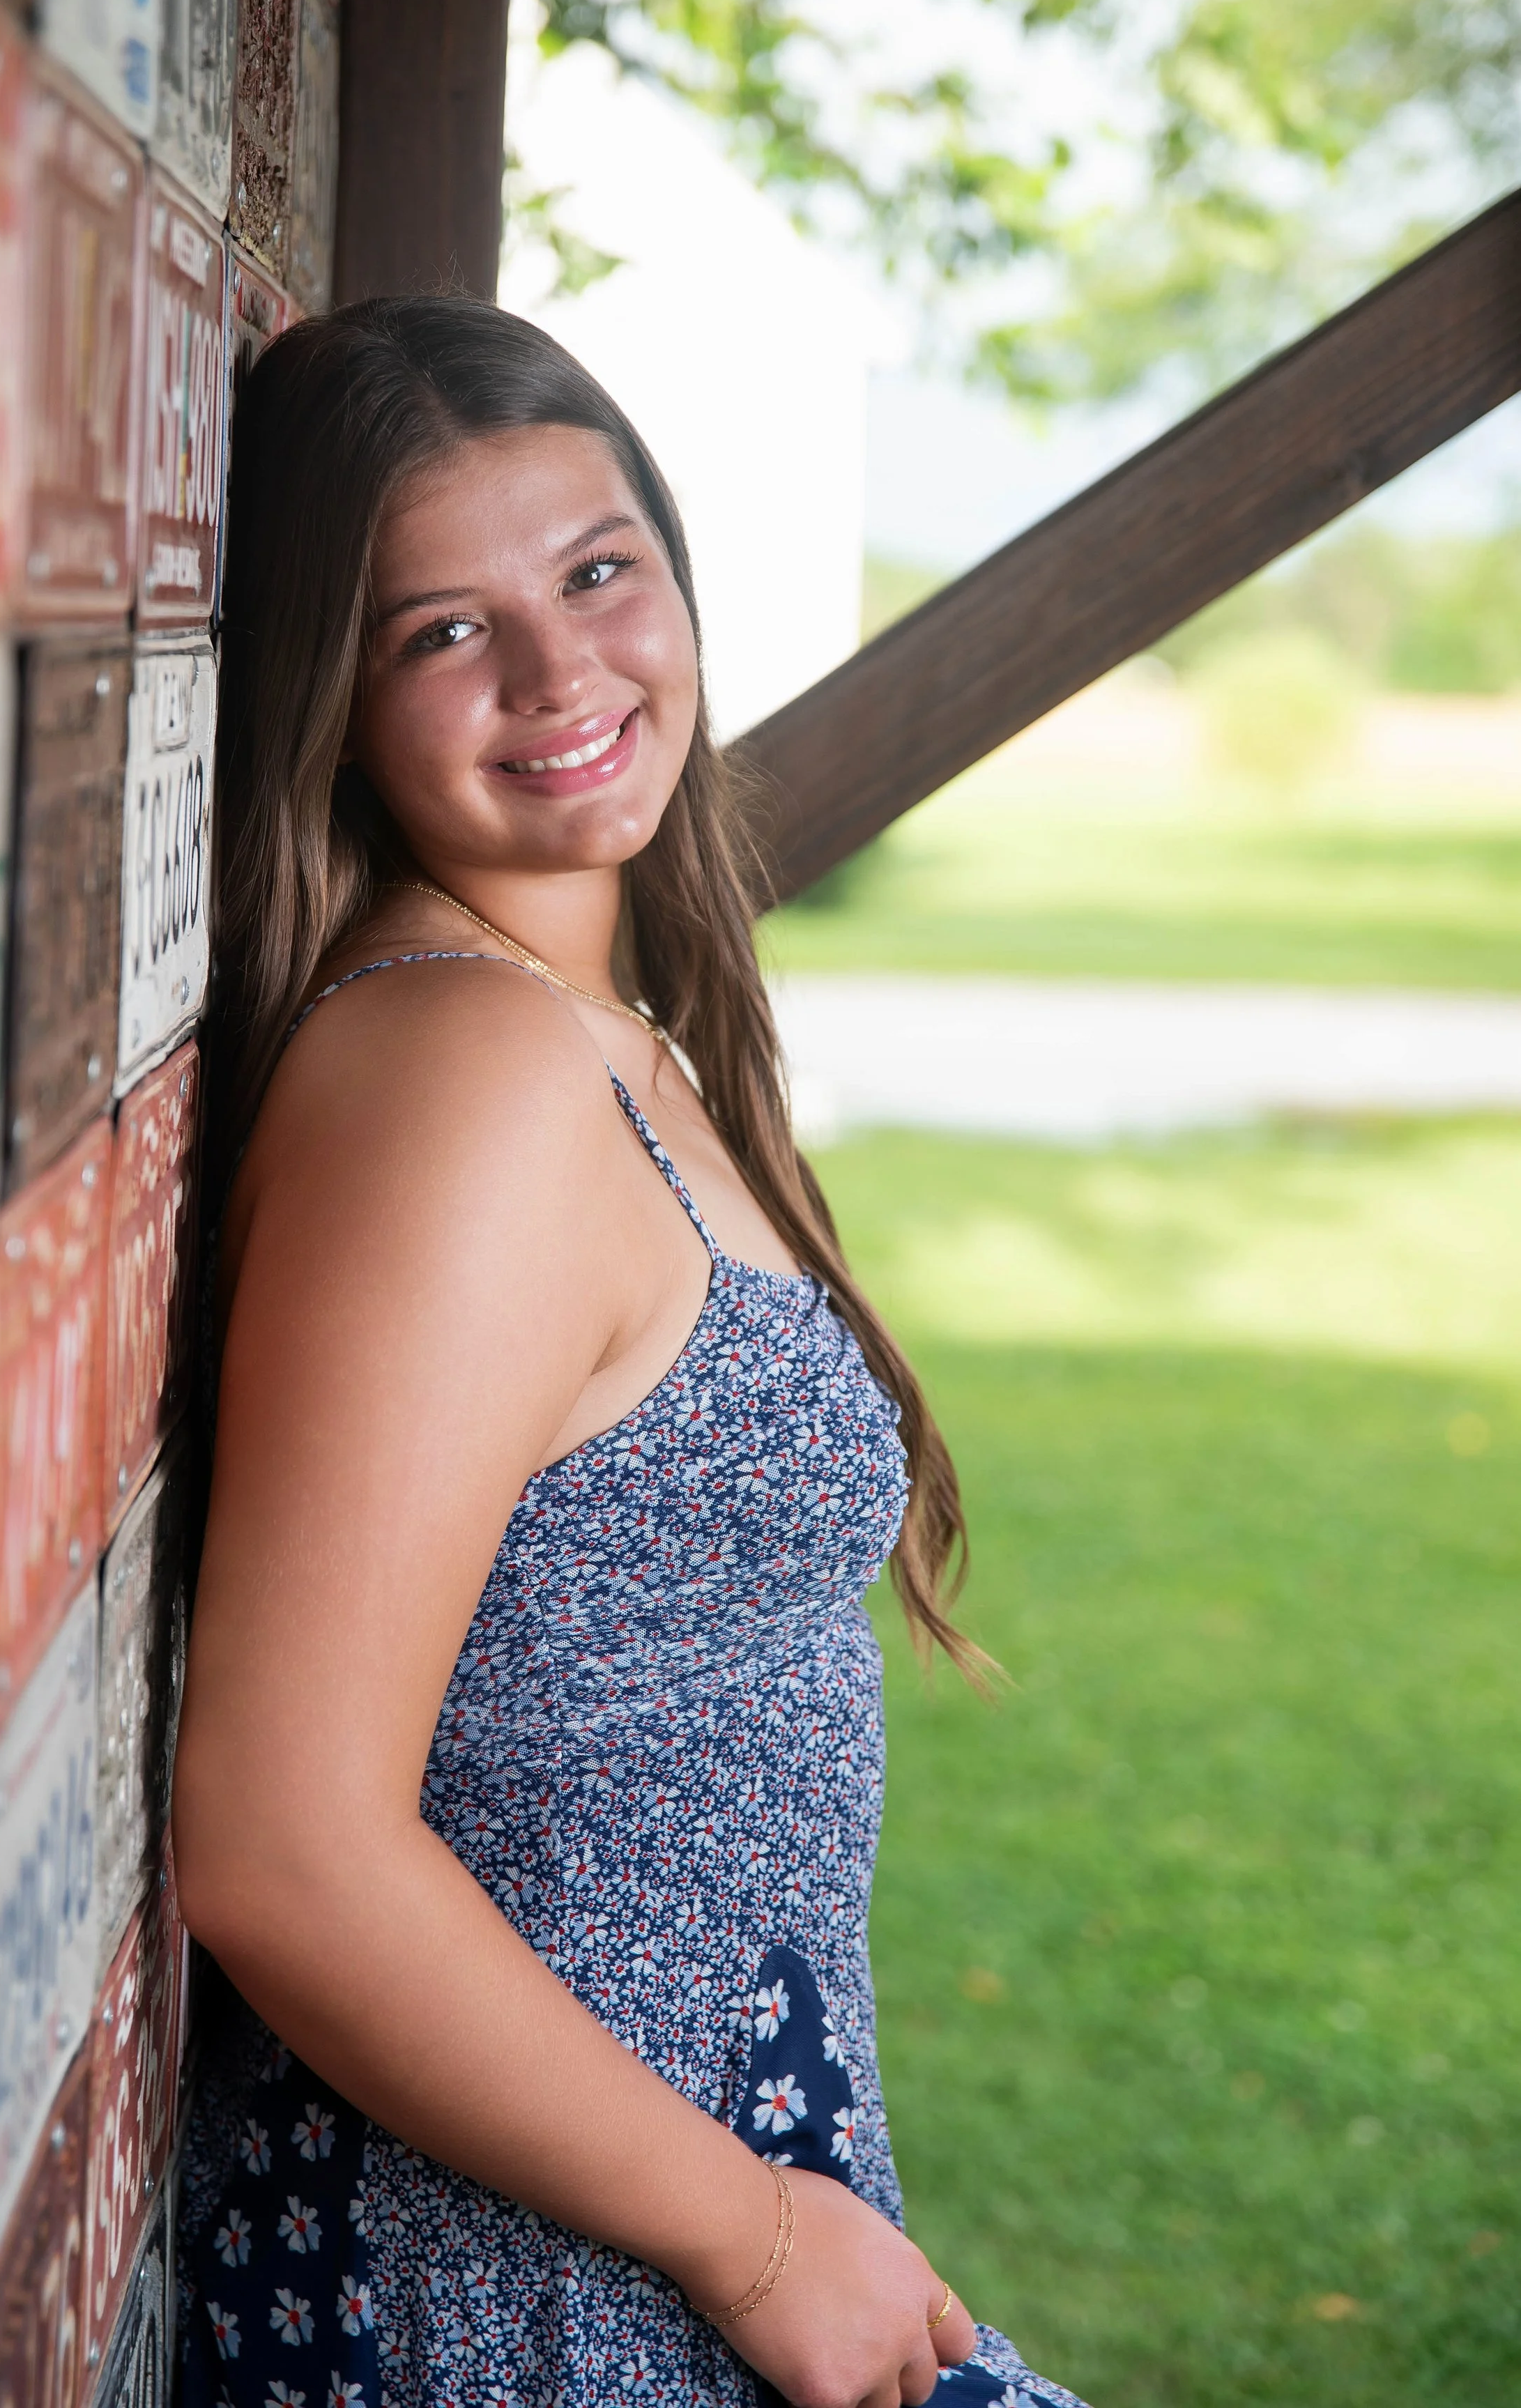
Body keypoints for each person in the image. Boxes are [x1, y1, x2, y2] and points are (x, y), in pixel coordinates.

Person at [172, 297, 1091, 2408]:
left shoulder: (598, 1033)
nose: (562, 672)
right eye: (437, 631)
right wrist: (751, 2239)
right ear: (330, 691)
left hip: (688, 2232)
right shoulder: (462, 1080)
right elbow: (281, 1841)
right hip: (519, 2291)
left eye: (597, 571)